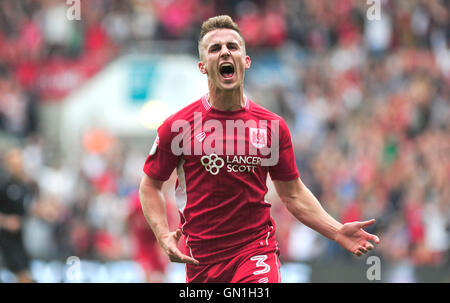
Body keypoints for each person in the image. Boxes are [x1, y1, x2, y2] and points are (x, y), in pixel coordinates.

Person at [139, 15, 380, 283]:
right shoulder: (178, 126)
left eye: (232, 46)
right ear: (202, 66)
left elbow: (293, 194)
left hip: (255, 253)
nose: (225, 53)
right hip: (201, 263)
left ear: (246, 60)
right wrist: (162, 236)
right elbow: (150, 186)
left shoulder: (272, 127)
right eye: (215, 49)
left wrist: (336, 230)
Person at [0, 148, 35, 283]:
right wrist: (5, 221)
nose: (18, 166)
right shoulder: (2, 184)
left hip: (18, 240)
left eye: (20, 163)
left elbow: (26, 210)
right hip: (4, 239)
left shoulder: (24, 186)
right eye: (14, 163)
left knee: (25, 274)